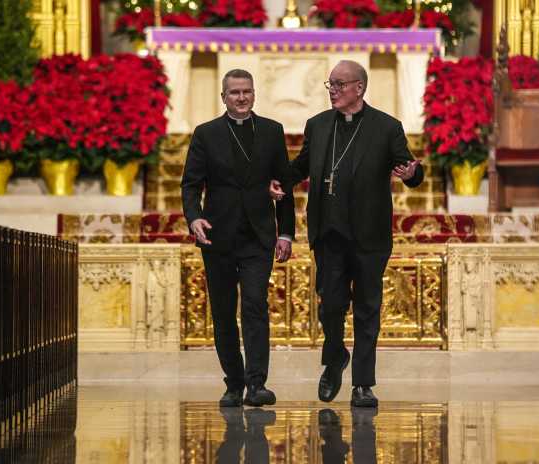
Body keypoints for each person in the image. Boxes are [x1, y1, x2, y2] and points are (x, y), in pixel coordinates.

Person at [270, 60, 423, 407]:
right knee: (331, 306)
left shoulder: (386, 127)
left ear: (359, 88)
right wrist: (280, 180)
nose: (333, 91)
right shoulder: (319, 125)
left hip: (370, 236)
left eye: (340, 85)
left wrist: (413, 173)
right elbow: (302, 165)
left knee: (368, 308)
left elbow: (409, 168)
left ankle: (363, 385)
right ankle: (335, 356)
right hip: (329, 232)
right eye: (331, 85)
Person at [181, 69, 295, 408]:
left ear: (254, 94)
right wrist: (194, 216)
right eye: (234, 93)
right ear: (224, 97)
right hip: (218, 236)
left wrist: (286, 232)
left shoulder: (272, 132)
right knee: (224, 311)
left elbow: (283, 185)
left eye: (247, 91)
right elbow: (190, 184)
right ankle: (234, 382)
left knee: (255, 305)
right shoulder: (206, 134)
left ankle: (257, 383)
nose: (241, 97)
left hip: (258, 236)